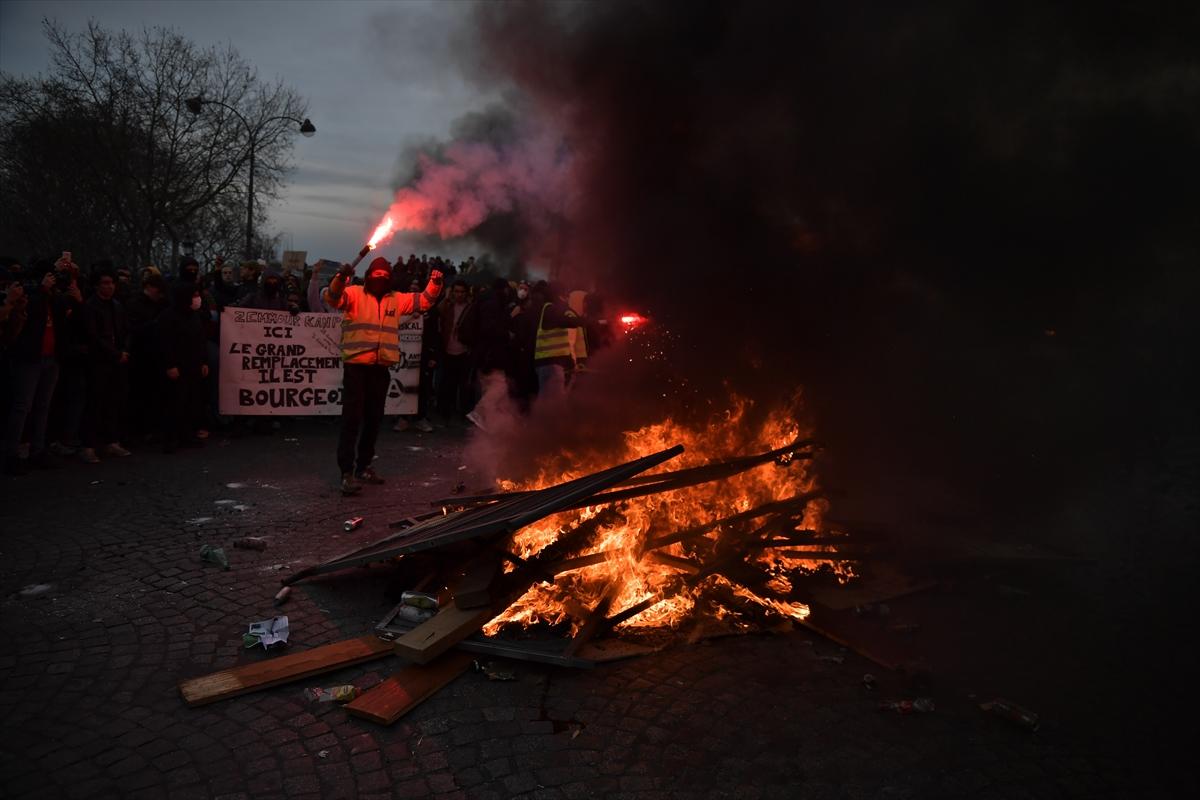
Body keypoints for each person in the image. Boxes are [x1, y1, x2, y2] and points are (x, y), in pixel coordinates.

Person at [323, 256, 442, 495]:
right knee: (352, 419)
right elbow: (332, 298)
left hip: (380, 368)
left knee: (374, 419)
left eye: (385, 277)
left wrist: (435, 283)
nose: (380, 280)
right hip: (356, 367)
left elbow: (425, 301)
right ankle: (346, 472)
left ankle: (364, 466)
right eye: (376, 276)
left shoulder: (396, 300)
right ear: (367, 277)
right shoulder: (354, 294)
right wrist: (339, 278)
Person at [2, 264, 62, 474]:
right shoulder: (29, 297)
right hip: (29, 357)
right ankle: (11, 453)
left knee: (43, 406)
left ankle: (38, 449)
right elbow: (27, 317)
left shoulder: (52, 298)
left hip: (50, 356)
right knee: (22, 406)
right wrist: (41, 290)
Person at [79, 268, 131, 463]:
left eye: (111, 283)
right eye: (105, 283)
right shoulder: (90, 307)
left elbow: (126, 330)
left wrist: (124, 350)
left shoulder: (117, 306)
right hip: (99, 362)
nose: (109, 286)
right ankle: (88, 445)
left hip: (117, 360)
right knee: (95, 403)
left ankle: (111, 441)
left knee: (114, 402)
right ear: (96, 285)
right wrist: (116, 353)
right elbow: (93, 336)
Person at [157, 282, 208, 453]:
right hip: (177, 367)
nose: (197, 299)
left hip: (193, 365)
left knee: (190, 402)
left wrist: (203, 362)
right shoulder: (168, 316)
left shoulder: (194, 315)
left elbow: (201, 341)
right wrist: (170, 365)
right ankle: (170, 438)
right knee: (174, 403)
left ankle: (186, 436)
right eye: (194, 295)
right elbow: (164, 343)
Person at [530, 281, 586, 403]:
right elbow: (570, 333)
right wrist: (588, 321)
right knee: (554, 405)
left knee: (547, 402)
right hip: (553, 364)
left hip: (547, 363)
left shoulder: (543, 309)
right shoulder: (552, 310)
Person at [436, 279, 476, 423]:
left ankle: (463, 412)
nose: (459, 295)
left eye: (462, 292)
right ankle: (445, 412)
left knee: (464, 384)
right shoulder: (448, 306)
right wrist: (446, 297)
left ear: (467, 293)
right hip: (447, 351)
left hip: (464, 352)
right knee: (447, 383)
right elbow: (438, 310)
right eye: (456, 291)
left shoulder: (471, 308)